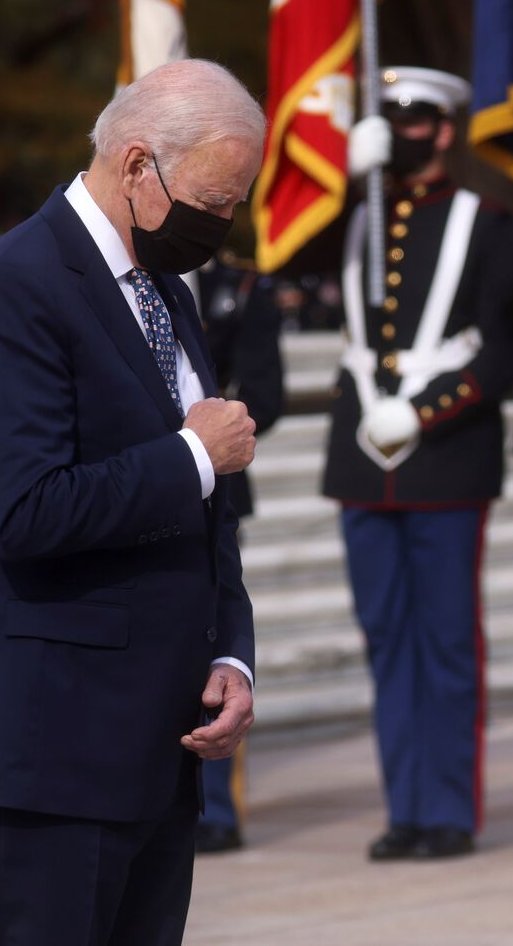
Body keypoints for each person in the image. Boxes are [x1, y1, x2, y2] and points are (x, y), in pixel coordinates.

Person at [0, 59, 261, 942]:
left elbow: (205, 518)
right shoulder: (12, 289)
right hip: (57, 747)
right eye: (214, 199)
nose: (223, 225)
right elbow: (26, 511)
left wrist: (232, 652)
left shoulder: (164, 291)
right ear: (136, 165)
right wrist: (193, 452)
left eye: (237, 202)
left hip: (160, 742)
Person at [326, 66, 513, 861]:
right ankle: (403, 806)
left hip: (443, 455)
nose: (401, 133)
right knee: (386, 640)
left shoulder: (488, 220)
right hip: (360, 459)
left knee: (445, 642)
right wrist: (342, 186)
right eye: (390, 119)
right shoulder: (356, 216)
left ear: (445, 130)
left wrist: (423, 408)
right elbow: (287, 262)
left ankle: (445, 811)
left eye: (415, 120)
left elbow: (506, 349)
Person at [191, 248, 288, 854]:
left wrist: (216, 430)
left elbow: (266, 390)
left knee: (216, 643)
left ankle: (217, 807)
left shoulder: (237, 281)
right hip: (142, 477)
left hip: (215, 485)